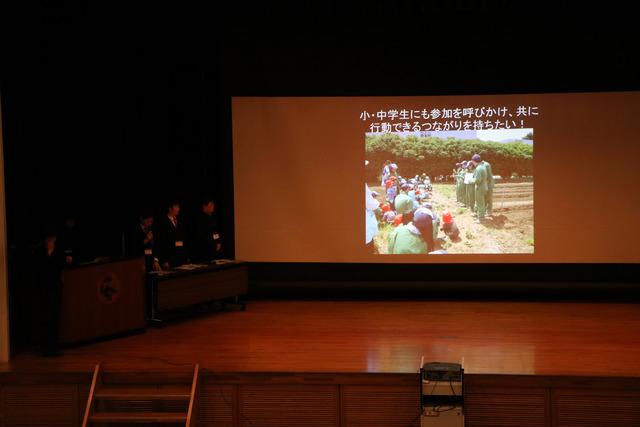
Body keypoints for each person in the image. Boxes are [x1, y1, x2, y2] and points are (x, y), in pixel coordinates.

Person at [34, 229, 65, 357]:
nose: (52, 242)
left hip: (55, 287)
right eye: (50, 240)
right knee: (45, 318)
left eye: (53, 240)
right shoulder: (39, 252)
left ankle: (53, 347)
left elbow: (61, 265)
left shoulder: (58, 251)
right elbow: (38, 268)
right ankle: (45, 348)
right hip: (44, 289)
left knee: (54, 318)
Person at [155, 200, 187, 269]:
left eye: (178, 207)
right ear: (170, 209)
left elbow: (183, 239)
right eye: (176, 207)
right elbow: (161, 242)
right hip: (169, 260)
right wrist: (164, 260)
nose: (178, 209)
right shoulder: (162, 222)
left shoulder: (180, 220)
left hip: (180, 259)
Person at [193, 197, 223, 262]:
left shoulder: (213, 218)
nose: (213, 206)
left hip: (214, 250)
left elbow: (215, 232)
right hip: (204, 251)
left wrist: (218, 242)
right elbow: (202, 235)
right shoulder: (200, 219)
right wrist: (212, 244)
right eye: (211, 204)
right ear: (205, 206)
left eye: (213, 204)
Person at [471, 154, 489, 223]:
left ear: (473, 161)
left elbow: (478, 180)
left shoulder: (478, 168)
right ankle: (480, 216)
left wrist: (471, 180)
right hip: (484, 187)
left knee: (480, 203)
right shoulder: (483, 167)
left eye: (472, 161)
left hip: (479, 188)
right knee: (481, 202)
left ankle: (481, 218)